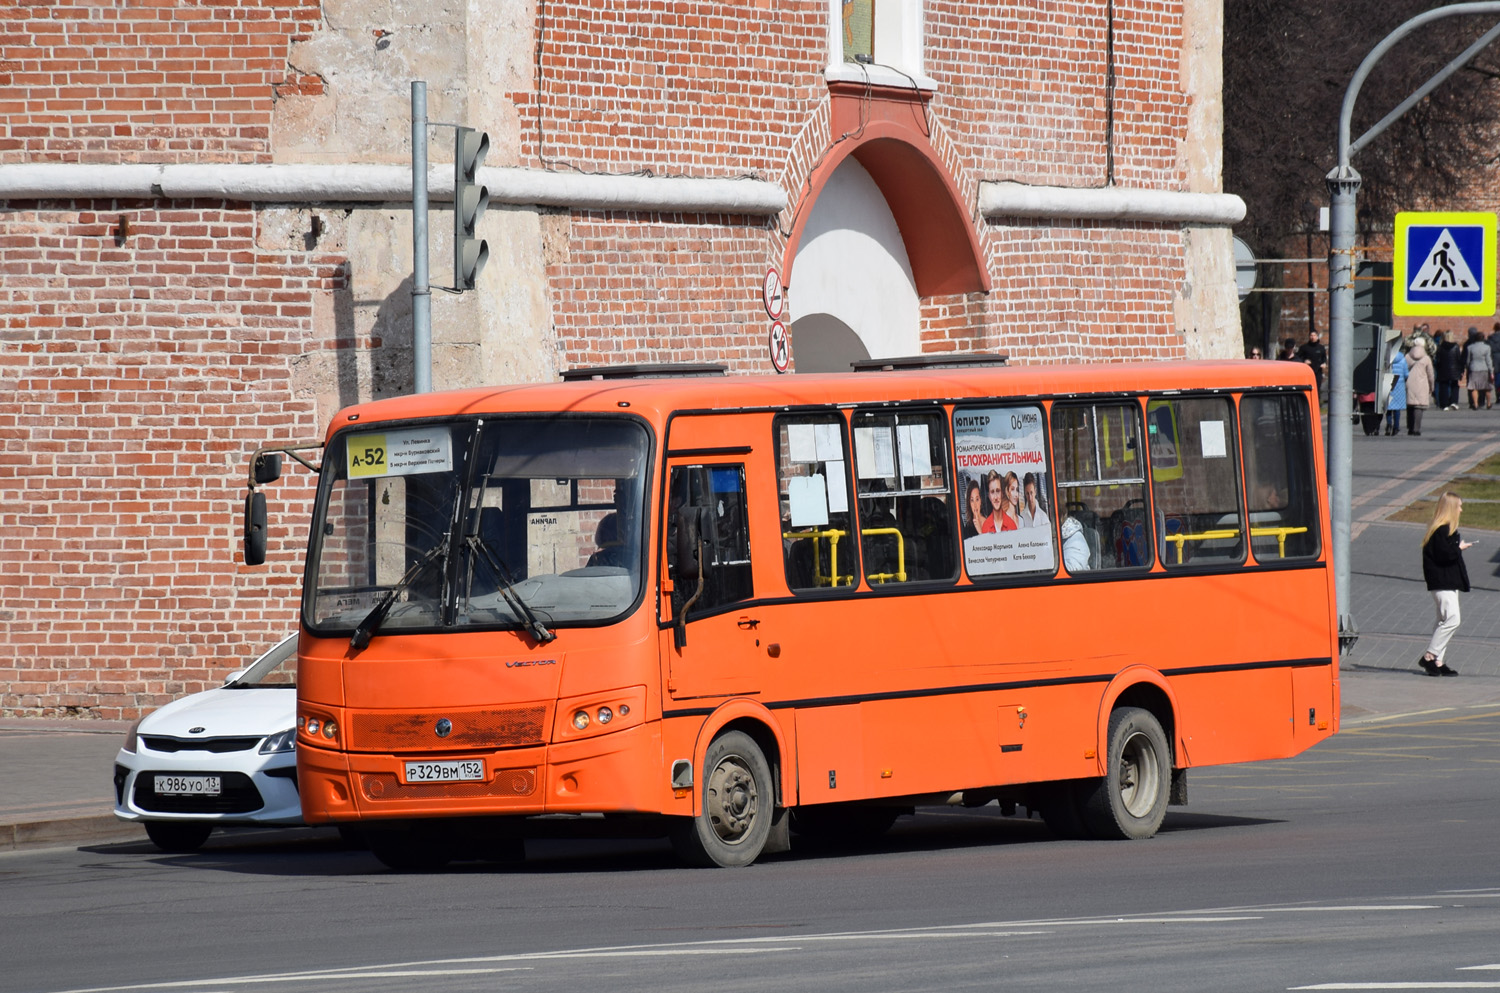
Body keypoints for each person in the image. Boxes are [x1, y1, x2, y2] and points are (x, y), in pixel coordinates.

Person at [1419, 492, 1471, 676]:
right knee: (1453, 619)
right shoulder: (1441, 530)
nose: (1461, 509)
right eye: (1459, 506)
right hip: (1442, 583)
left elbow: (1446, 553)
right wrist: (1459, 548)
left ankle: (1438, 661)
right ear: (1450, 509)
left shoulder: (1444, 529)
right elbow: (1445, 555)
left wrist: (1457, 547)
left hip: (1446, 582)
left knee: (1443, 620)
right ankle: (1429, 656)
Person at [1404, 339, 1434, 436]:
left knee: (1410, 406)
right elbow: (1430, 374)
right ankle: (1416, 428)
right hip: (1422, 384)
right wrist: (1431, 386)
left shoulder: (1407, 356)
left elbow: (1404, 370)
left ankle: (1410, 427)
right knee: (1419, 407)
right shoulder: (1426, 358)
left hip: (1409, 383)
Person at [1433, 330, 1461, 411]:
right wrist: (1460, 369)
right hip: (1454, 369)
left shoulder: (1440, 347)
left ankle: (1444, 404)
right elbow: (1458, 358)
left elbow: (1438, 359)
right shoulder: (1456, 346)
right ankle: (1454, 402)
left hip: (1443, 369)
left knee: (1443, 386)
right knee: (1454, 385)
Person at [1466, 326, 1493, 410]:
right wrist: (1491, 371)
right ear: (1483, 338)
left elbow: (1468, 360)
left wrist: (1468, 367)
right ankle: (1488, 403)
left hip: (1474, 368)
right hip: (1484, 369)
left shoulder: (1470, 347)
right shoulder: (1487, 347)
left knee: (1474, 387)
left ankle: (1476, 404)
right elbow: (1488, 360)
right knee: (1487, 387)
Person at [1296, 330, 1327, 403]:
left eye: (1314, 335)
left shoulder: (1321, 348)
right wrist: (1304, 361)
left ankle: (1317, 404)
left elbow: (1324, 358)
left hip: (1318, 372)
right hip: (1307, 372)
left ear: (1317, 337)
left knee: (1317, 389)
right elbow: (1297, 358)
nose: (1312, 337)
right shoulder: (1304, 348)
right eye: (1311, 335)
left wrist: (1324, 364)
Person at [1384, 345, 1407, 437]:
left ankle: (1388, 424)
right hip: (1399, 385)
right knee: (1397, 408)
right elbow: (1406, 373)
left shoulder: (1386, 357)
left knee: (1388, 407)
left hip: (1389, 383)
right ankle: (1396, 426)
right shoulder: (1402, 358)